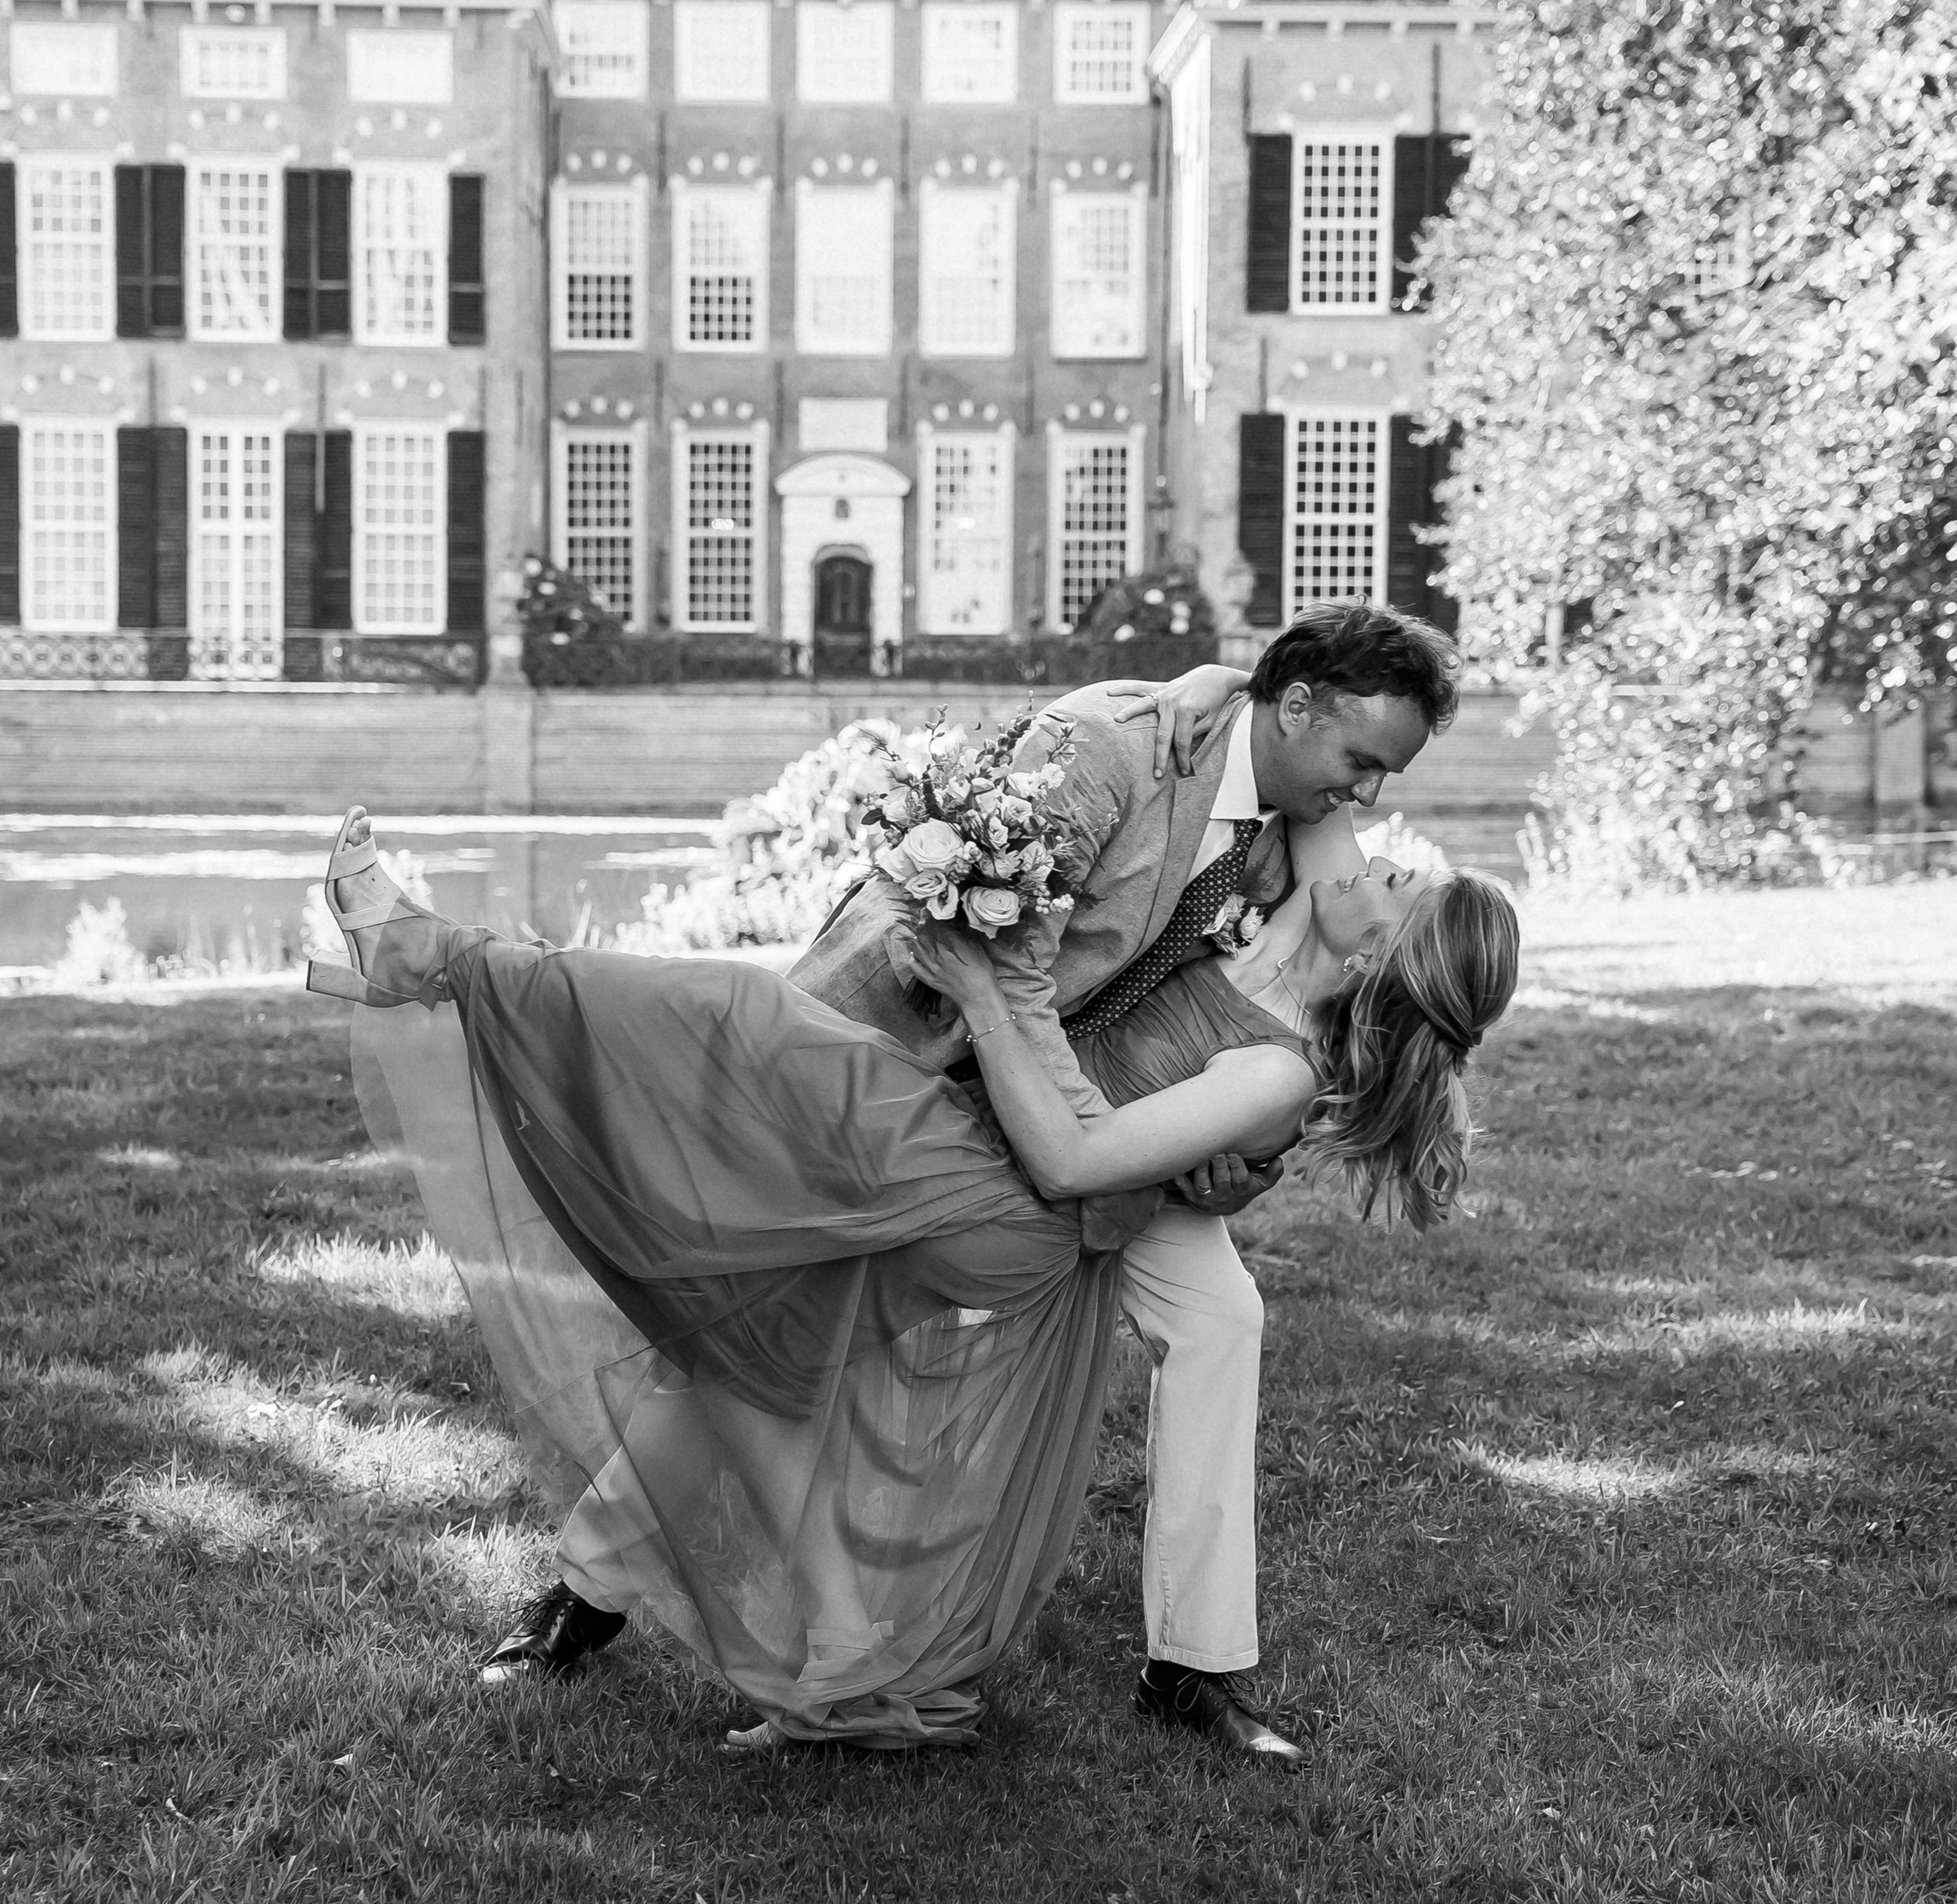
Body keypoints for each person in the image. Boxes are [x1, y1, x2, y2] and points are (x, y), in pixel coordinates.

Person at [370, 600, 1475, 1756]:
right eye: (1357, 767)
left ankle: (1192, 1665)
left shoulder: (1302, 824)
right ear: (1293, 710)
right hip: (943, 1056)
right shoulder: (1127, 750)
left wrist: (1210, 1163)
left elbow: (1355, 943)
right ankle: (590, 1599)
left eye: (1380, 782)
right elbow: (1013, 956)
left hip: (1087, 1131)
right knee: (761, 1317)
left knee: (1221, 1315)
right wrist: (1219, 686)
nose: (1368, 807)